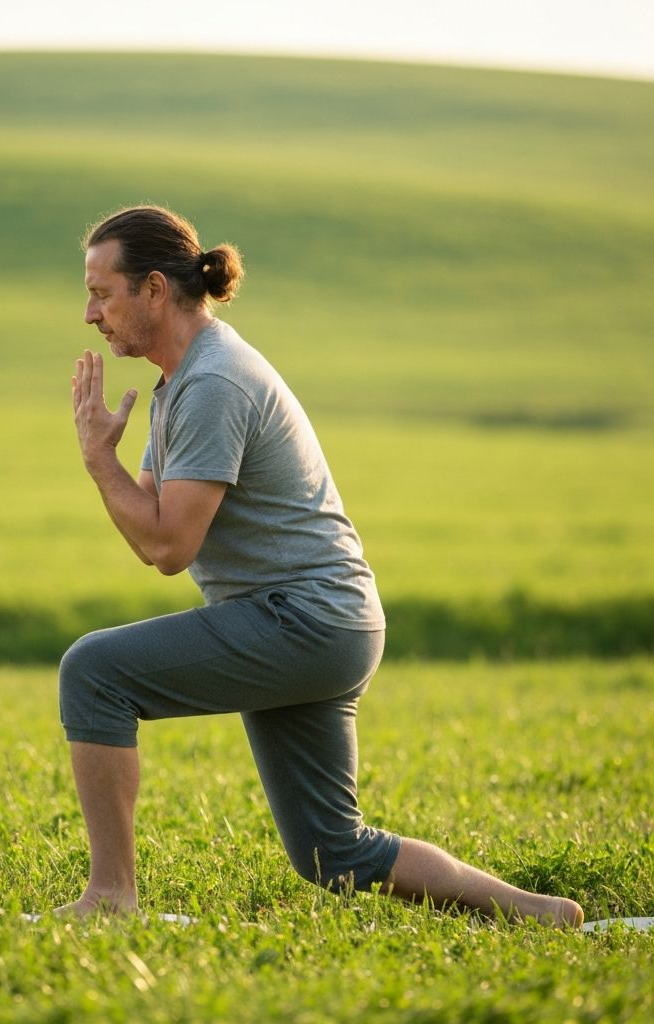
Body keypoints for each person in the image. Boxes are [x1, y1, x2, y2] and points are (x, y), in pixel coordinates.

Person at [60, 204, 583, 928]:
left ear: (154, 289)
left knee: (95, 672)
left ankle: (110, 897)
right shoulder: (182, 380)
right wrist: (107, 464)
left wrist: (96, 462)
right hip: (322, 620)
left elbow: (167, 549)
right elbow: (149, 520)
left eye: (100, 291)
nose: (90, 313)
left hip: (303, 619)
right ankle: (535, 912)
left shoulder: (214, 384)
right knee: (333, 853)